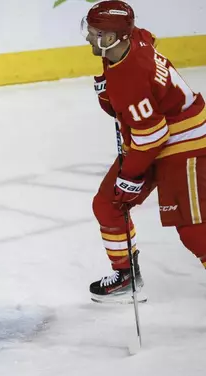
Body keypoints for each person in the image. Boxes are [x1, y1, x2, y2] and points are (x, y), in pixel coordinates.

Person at [82, 1, 206, 302]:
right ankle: (126, 277)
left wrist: (131, 175)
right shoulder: (131, 40)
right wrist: (108, 90)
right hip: (150, 137)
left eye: (94, 32)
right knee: (107, 204)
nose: (88, 38)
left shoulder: (131, 77)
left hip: (185, 143)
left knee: (193, 230)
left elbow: (153, 135)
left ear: (112, 38)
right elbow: (146, 41)